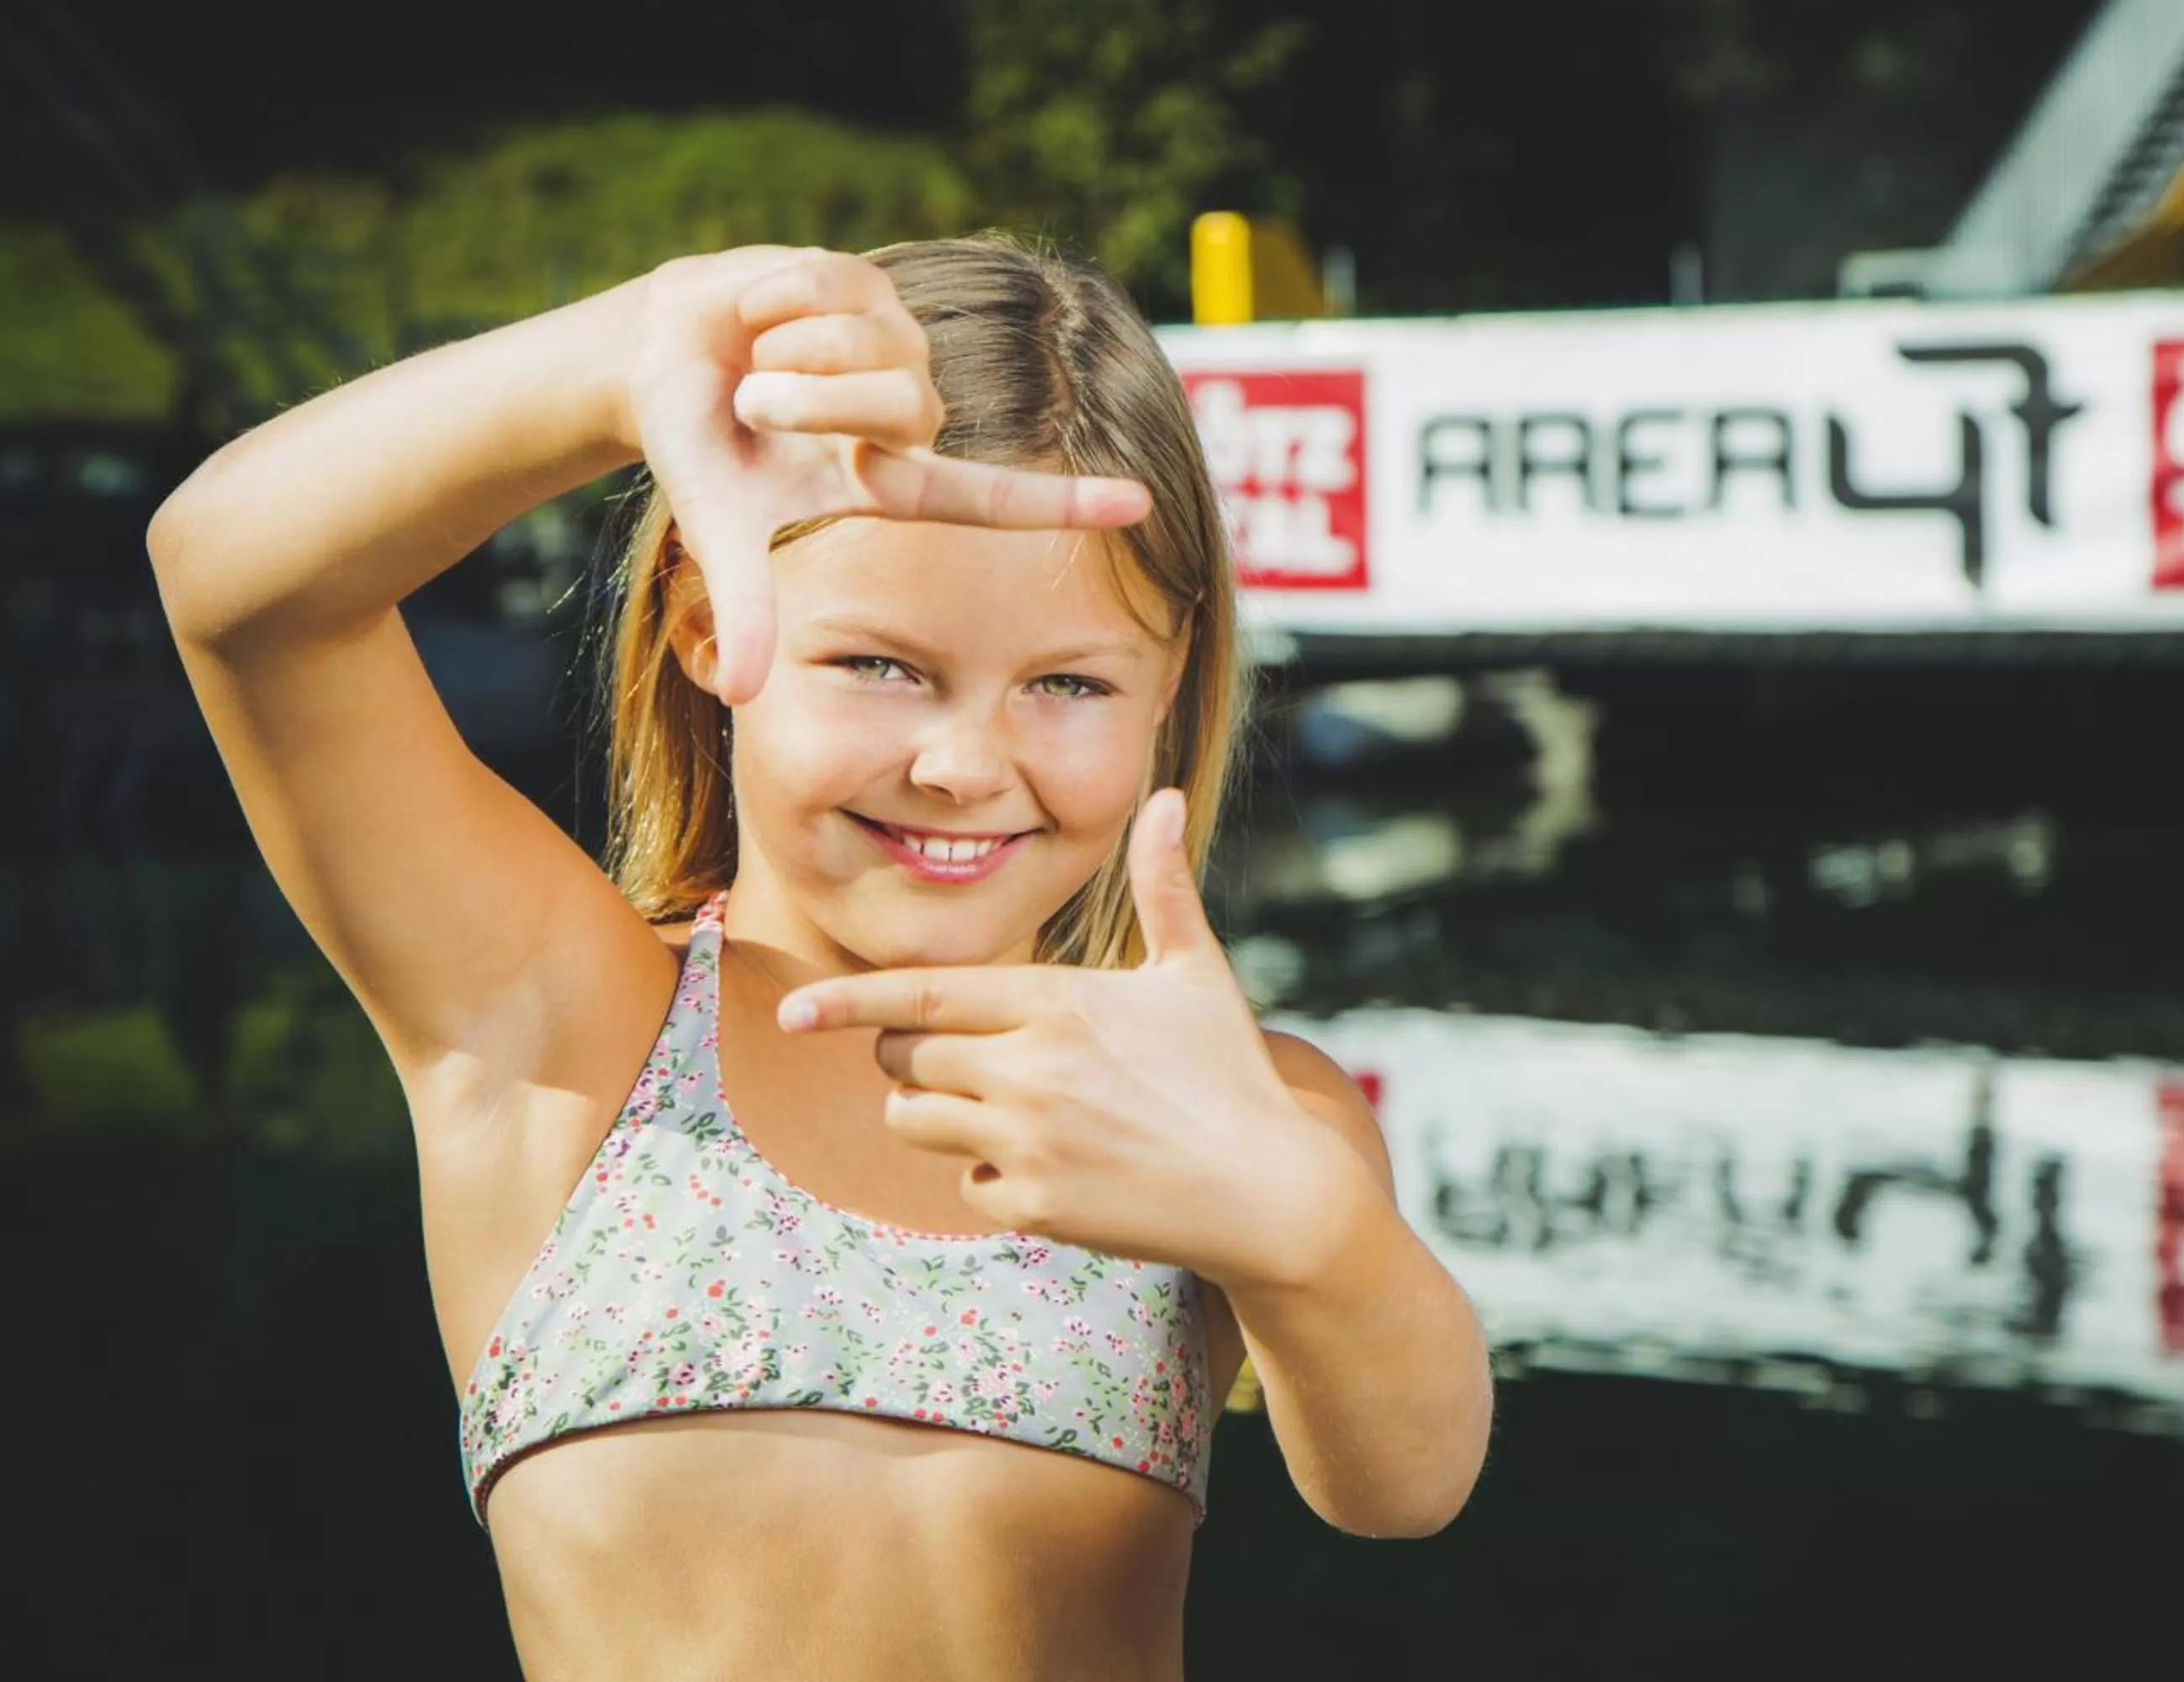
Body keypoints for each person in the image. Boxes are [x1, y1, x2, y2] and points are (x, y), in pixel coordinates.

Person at [147, 235, 1494, 1679]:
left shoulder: (1226, 1108)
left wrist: (1300, 1228)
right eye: (882, 664)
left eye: (1068, 685)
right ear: (702, 616)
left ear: (1171, 698)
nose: (967, 763)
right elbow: (236, 584)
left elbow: (1402, 1487)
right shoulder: (562, 1028)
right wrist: (620, 357)